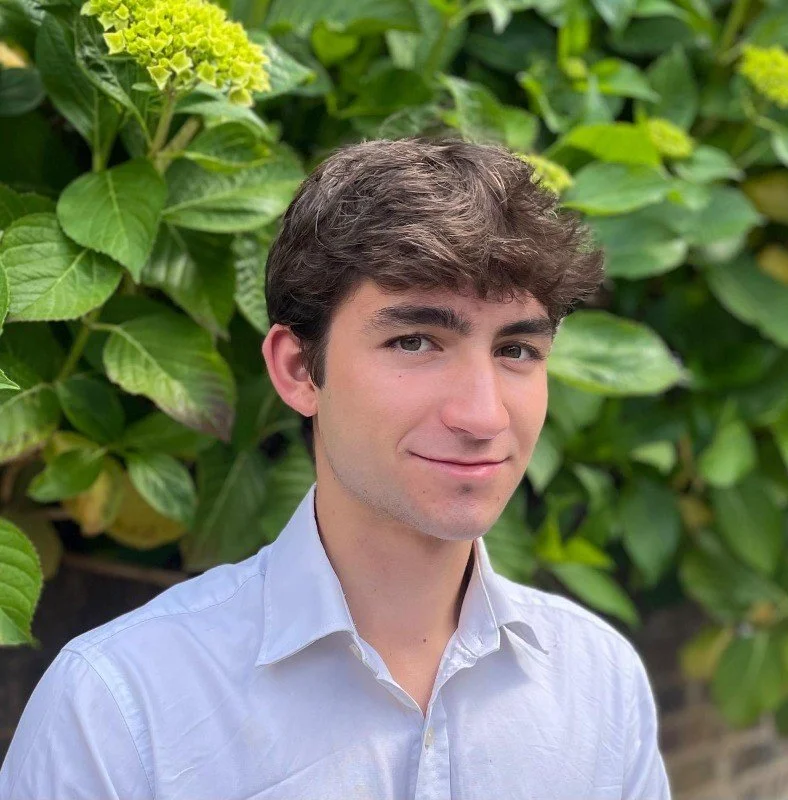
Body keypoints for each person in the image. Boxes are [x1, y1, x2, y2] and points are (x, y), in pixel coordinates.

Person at [0, 137, 671, 799]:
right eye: (415, 341)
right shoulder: (118, 711)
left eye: (517, 350)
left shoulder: (601, 680)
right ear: (297, 369)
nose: (484, 416)